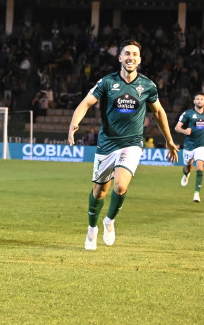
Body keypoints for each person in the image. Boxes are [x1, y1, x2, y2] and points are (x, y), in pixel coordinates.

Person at [68, 39, 178, 250]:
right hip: (107, 144)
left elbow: (158, 112)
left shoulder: (147, 85)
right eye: (127, 53)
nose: (131, 57)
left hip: (132, 143)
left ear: (139, 59)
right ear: (120, 58)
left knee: (120, 185)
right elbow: (86, 103)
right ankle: (92, 229)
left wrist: (170, 140)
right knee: (100, 191)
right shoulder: (107, 82)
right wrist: (75, 122)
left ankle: (109, 221)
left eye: (135, 54)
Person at [174, 92, 204, 202]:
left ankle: (196, 194)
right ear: (194, 101)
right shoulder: (188, 114)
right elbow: (177, 128)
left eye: (201, 99)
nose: (199, 101)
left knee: (200, 167)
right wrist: (184, 131)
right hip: (189, 145)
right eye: (197, 99)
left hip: (201, 146)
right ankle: (186, 174)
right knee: (187, 167)